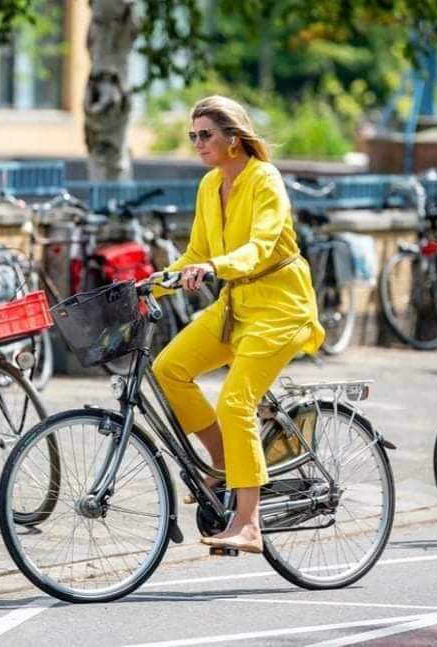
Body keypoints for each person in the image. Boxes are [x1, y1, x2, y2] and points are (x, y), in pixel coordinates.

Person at [152, 95, 325, 553]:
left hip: (280, 306)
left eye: (205, 135)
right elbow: (195, 253)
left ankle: (249, 523)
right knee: (168, 368)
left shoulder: (265, 179)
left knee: (235, 402)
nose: (197, 143)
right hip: (235, 306)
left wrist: (215, 268)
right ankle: (224, 457)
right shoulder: (210, 186)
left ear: (234, 137)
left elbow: (261, 246)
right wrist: (147, 286)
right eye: (192, 136)